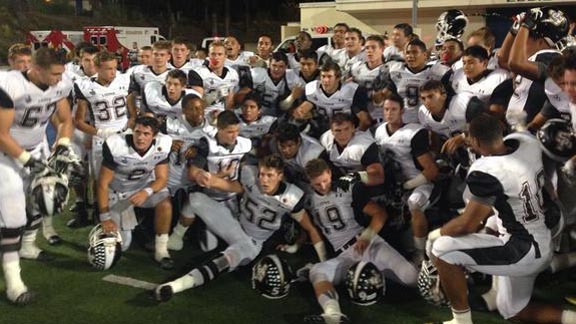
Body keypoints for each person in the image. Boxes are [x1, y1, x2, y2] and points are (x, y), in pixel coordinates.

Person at [427, 113, 576, 324]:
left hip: (523, 250)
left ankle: (461, 321)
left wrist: (434, 235)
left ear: (476, 142)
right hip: (547, 228)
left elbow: (467, 224)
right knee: (511, 310)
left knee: (443, 249)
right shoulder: (527, 142)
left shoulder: (487, 170)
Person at [156, 155, 326, 302]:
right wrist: (210, 179)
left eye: (269, 175)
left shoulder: (292, 197)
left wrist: (320, 258)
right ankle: (176, 237)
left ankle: (173, 287)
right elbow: (233, 187)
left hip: (250, 243)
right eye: (261, 174)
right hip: (235, 225)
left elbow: (310, 229)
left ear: (280, 175)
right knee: (196, 198)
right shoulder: (250, 176)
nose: (263, 179)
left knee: (221, 262)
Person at [0, 47, 75, 304]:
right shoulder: (10, 85)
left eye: (61, 73)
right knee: (12, 219)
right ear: (36, 69)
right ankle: (14, 284)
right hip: (5, 156)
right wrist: (30, 163)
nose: (59, 78)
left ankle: (29, 245)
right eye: (54, 73)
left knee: (41, 200)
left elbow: (65, 119)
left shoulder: (61, 82)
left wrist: (63, 144)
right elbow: (1, 135)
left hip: (37, 147)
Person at [303, 158, 418, 324]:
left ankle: (447, 274)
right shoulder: (308, 199)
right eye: (317, 184)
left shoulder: (345, 188)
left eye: (325, 181)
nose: (322, 186)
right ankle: (333, 315)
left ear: (329, 173)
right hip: (345, 256)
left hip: (368, 245)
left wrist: (366, 237)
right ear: (309, 181)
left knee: (412, 278)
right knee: (317, 271)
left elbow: (380, 214)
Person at [167, 110, 251, 252]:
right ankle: (180, 233)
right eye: (230, 132)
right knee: (208, 246)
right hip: (210, 197)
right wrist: (218, 175)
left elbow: (244, 175)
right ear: (219, 129)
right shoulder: (207, 144)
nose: (235, 135)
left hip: (232, 199)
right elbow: (193, 175)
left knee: (238, 241)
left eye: (237, 131)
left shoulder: (245, 144)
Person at [97, 116, 174, 269]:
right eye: (137, 132)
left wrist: (147, 191)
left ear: (154, 136)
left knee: (165, 203)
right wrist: (104, 217)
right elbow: (102, 184)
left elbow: (162, 178)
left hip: (142, 187)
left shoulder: (163, 144)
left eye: (146, 134)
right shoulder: (116, 144)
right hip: (118, 192)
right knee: (123, 246)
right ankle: (111, 216)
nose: (140, 137)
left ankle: (161, 250)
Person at [374, 93, 439, 265]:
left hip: (418, 181)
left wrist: (407, 185)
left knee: (414, 204)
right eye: (386, 109)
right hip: (392, 183)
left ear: (402, 111)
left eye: (393, 109)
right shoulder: (379, 131)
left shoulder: (413, 133)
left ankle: (420, 253)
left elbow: (431, 171)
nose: (389, 113)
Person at [74, 51, 131, 227]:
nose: (113, 72)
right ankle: (102, 216)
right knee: (100, 180)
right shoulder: (84, 86)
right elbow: (79, 121)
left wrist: (128, 130)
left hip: (123, 135)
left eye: (115, 68)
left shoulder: (125, 79)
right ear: (97, 68)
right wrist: (100, 133)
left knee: (125, 177)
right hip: (102, 137)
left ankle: (125, 217)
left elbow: (133, 113)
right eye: (108, 69)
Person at [497, 7, 568, 126]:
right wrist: (515, 29)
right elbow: (503, 59)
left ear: (540, 42)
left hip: (534, 133)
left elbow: (515, 63)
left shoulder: (550, 58)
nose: (517, 44)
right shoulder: (533, 60)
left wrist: (526, 26)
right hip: (520, 130)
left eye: (524, 38)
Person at [374, 38, 451, 124]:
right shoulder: (396, 71)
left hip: (428, 123)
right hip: (402, 122)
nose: (410, 56)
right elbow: (384, 97)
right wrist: (379, 93)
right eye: (408, 53)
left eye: (414, 52)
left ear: (425, 55)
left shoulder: (438, 73)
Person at [292, 61, 372, 133]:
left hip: (345, 131)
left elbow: (365, 121)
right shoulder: (312, 89)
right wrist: (302, 113)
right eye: (323, 76)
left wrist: (355, 134)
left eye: (329, 76)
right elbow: (301, 111)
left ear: (338, 78)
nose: (325, 80)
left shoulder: (352, 91)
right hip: (320, 130)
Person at [319, 113, 383, 185]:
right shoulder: (326, 139)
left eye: (346, 129)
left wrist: (357, 177)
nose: (343, 134)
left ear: (353, 128)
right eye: (338, 130)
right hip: (336, 176)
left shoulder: (364, 146)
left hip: (360, 182)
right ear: (332, 131)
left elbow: (378, 176)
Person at [239, 51, 302, 117]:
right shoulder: (257, 74)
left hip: (279, 116)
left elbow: (286, 106)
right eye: (274, 65)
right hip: (256, 115)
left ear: (286, 67)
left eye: (281, 66)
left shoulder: (292, 77)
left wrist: (292, 97)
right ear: (269, 64)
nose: (276, 69)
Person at [188, 41, 239, 118]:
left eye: (219, 54)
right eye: (213, 54)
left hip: (222, 116)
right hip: (203, 116)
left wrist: (226, 116)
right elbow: (196, 105)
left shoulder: (232, 73)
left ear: (225, 56)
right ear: (208, 55)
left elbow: (229, 103)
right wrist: (215, 96)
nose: (216, 57)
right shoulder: (198, 73)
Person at [127, 40, 173, 120]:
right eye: (156, 54)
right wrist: (133, 116)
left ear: (168, 57)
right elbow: (131, 96)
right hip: (146, 116)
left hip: (169, 117)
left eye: (162, 55)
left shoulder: (175, 74)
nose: (158, 58)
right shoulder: (138, 72)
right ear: (152, 55)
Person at [349, 35, 389, 123]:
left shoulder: (389, 69)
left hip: (381, 113)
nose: (369, 51)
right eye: (367, 48)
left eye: (373, 47)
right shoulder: (357, 68)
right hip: (360, 112)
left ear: (382, 49)